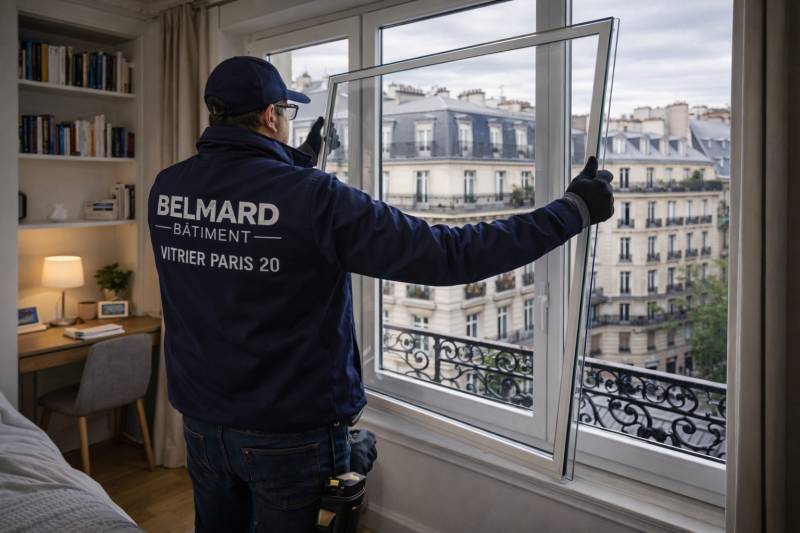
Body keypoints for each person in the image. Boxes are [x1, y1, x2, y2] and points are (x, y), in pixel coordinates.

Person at [147, 55, 614, 533]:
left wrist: (296, 161)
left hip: (202, 421)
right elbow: (447, 254)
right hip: (285, 432)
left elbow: (236, 231)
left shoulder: (167, 188)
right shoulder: (314, 197)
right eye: (287, 112)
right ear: (271, 116)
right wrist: (572, 210)